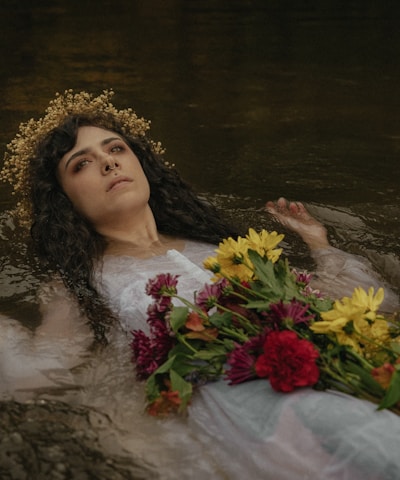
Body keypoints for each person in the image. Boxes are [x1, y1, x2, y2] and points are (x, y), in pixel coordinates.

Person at [1, 90, 399, 479]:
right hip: (242, 411)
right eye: (81, 163)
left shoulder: (218, 245)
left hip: (328, 370)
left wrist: (319, 243)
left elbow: (357, 306)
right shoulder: (81, 282)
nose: (108, 163)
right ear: (65, 200)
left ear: (140, 163)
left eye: (116, 149)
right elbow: (42, 373)